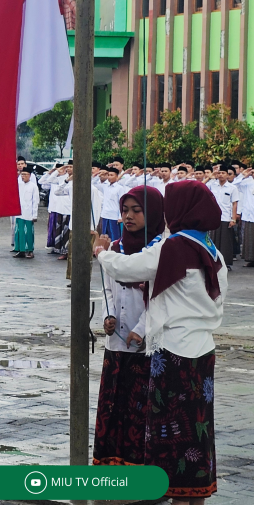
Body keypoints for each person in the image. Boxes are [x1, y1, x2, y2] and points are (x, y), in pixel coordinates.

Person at [95, 180, 226, 505]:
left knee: (173, 431)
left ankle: (178, 504)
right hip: (203, 350)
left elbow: (129, 267)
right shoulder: (211, 248)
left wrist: (101, 253)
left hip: (174, 353)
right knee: (198, 430)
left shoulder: (176, 246)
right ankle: (195, 501)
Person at [93, 185, 164, 468]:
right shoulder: (115, 248)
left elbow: (159, 297)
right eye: (125, 211)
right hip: (117, 342)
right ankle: (112, 461)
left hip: (143, 343)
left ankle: (141, 465)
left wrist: (141, 328)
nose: (129, 216)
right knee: (115, 403)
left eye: (137, 210)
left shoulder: (158, 250)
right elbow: (108, 289)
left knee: (140, 407)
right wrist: (108, 317)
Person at [207, 165, 239, 270]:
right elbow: (200, 186)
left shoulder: (232, 188)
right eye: (219, 173)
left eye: (223, 173)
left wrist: (233, 218)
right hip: (213, 217)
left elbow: (234, 203)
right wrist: (210, 176)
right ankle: (213, 262)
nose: (221, 175)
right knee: (213, 240)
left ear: (227, 175)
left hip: (226, 217)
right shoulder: (212, 185)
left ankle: (226, 263)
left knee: (225, 242)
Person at [237, 163, 254, 267]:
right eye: (252, 172)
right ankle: (251, 260)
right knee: (249, 238)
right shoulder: (246, 182)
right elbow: (235, 185)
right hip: (248, 214)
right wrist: (244, 175)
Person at [14, 169, 39, 258]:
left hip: (29, 213)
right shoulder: (19, 185)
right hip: (19, 212)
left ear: (29, 175)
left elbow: (35, 201)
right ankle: (21, 250)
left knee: (28, 232)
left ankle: (30, 250)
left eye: (25, 174)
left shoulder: (33, 186)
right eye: (22, 174)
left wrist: (34, 215)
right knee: (19, 231)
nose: (23, 176)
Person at [96, 167, 124, 241]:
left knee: (114, 236)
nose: (109, 177)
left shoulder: (119, 188)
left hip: (114, 216)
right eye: (108, 175)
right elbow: (94, 183)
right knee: (104, 236)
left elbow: (121, 202)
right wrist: (101, 173)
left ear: (117, 176)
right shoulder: (105, 186)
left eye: (112, 175)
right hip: (105, 214)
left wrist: (120, 216)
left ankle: (114, 251)